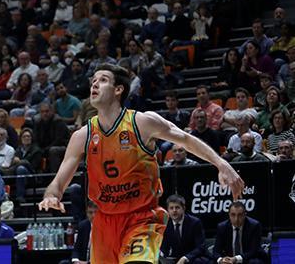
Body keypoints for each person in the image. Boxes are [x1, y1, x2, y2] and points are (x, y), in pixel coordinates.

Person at [39, 64, 244, 263]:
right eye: (93, 81)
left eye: (103, 80)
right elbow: (58, 183)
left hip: (142, 218)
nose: (94, 85)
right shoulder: (82, 136)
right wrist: (51, 196)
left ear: (118, 89)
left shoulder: (141, 123)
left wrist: (221, 164)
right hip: (104, 222)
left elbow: (185, 138)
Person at [160, 195, 209, 264]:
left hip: (193, 258)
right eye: (171, 208)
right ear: (167, 210)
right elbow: (164, 247)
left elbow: (201, 247)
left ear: (183, 208)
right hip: (175, 259)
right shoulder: (166, 224)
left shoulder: (195, 222)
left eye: (177, 207)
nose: (174, 210)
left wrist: (185, 258)